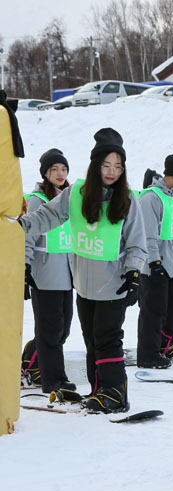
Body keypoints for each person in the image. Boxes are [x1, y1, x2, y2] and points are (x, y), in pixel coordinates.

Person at [18, 128, 146, 412]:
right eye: (106, 165)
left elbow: (138, 242)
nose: (112, 172)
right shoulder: (76, 193)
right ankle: (100, 391)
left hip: (114, 284)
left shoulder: (128, 200)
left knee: (108, 338)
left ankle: (115, 393)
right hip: (84, 285)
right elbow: (48, 215)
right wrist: (21, 225)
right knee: (91, 340)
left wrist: (134, 274)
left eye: (118, 166)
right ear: (95, 166)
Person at [21, 148, 74, 393]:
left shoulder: (70, 199)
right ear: (45, 173)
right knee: (51, 330)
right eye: (55, 169)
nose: (60, 174)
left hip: (67, 275)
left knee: (62, 330)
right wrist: (25, 265)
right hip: (44, 274)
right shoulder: (36, 200)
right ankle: (54, 380)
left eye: (64, 169)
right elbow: (27, 235)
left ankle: (31, 363)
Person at [136, 155, 173, 368]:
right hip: (154, 266)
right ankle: (147, 355)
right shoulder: (151, 198)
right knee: (153, 311)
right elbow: (148, 235)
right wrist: (154, 263)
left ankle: (165, 345)